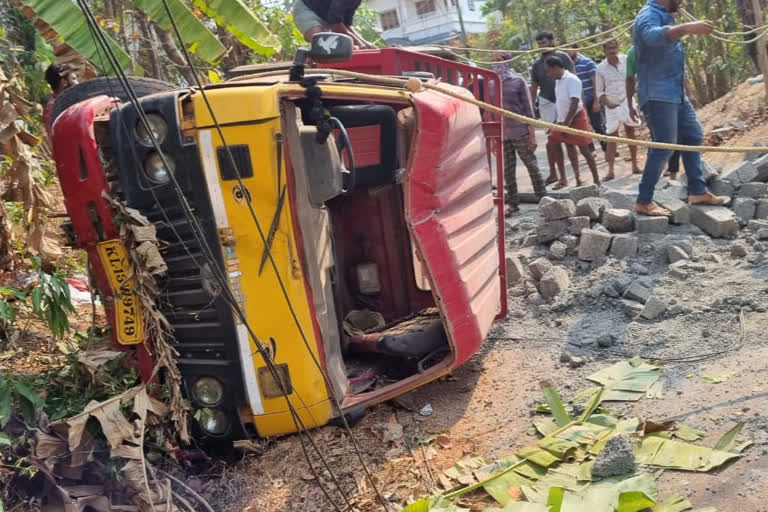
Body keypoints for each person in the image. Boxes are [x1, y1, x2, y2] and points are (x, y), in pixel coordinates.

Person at [633, 0, 729, 216]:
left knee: (693, 135)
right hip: (657, 93)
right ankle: (643, 200)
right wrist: (687, 28)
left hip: (675, 92)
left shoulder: (665, 13)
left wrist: (687, 91)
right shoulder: (648, 14)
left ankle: (697, 191)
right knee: (664, 146)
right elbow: (651, 36)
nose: (683, 1)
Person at [493, 53, 546, 216]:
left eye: (499, 60)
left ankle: (543, 199)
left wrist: (532, 134)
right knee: (507, 171)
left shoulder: (517, 81)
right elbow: (490, 111)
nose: (495, 64)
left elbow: (528, 109)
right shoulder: (491, 83)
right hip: (503, 134)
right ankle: (513, 203)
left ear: (507, 61)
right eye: (493, 61)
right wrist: (493, 139)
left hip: (520, 131)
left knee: (531, 165)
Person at [545, 56, 600, 188]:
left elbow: (574, 102)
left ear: (555, 68)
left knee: (584, 149)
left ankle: (597, 180)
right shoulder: (558, 81)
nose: (548, 74)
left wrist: (567, 123)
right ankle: (568, 178)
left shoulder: (572, 79)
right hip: (562, 119)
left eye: (549, 70)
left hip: (576, 118)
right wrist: (555, 122)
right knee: (553, 143)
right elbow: (561, 103)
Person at [530, 31, 576, 185]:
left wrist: (578, 104)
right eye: (539, 43)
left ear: (551, 42)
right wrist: (530, 108)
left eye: (543, 42)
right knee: (553, 140)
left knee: (569, 139)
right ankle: (557, 175)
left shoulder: (563, 57)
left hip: (564, 102)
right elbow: (534, 86)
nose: (541, 46)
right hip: (547, 102)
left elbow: (574, 79)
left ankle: (576, 177)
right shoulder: (537, 64)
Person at [596, 39, 641, 180]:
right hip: (611, 104)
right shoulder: (600, 68)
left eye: (614, 47)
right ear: (604, 51)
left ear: (618, 47)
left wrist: (632, 99)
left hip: (627, 101)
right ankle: (610, 171)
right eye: (609, 48)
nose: (612, 51)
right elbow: (599, 91)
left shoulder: (626, 60)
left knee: (630, 132)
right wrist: (607, 103)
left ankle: (635, 165)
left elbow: (634, 78)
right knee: (612, 137)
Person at [566, 43, 606, 153]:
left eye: (569, 49)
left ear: (576, 49)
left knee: (598, 126)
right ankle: (591, 151)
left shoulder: (587, 63)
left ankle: (607, 148)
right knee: (584, 127)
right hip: (578, 103)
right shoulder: (566, 68)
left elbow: (596, 83)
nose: (568, 52)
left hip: (591, 99)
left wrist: (596, 101)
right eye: (565, 50)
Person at [292, 0, 376, 49]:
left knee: (349, 47)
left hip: (326, 17)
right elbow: (336, 27)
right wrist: (359, 43)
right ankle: (302, 63)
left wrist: (367, 44)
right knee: (320, 40)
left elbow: (346, 25)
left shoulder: (356, 1)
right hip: (306, 9)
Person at [43, 64, 77, 142]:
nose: (77, 83)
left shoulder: (66, 102)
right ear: (64, 82)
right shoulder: (54, 107)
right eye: (74, 79)